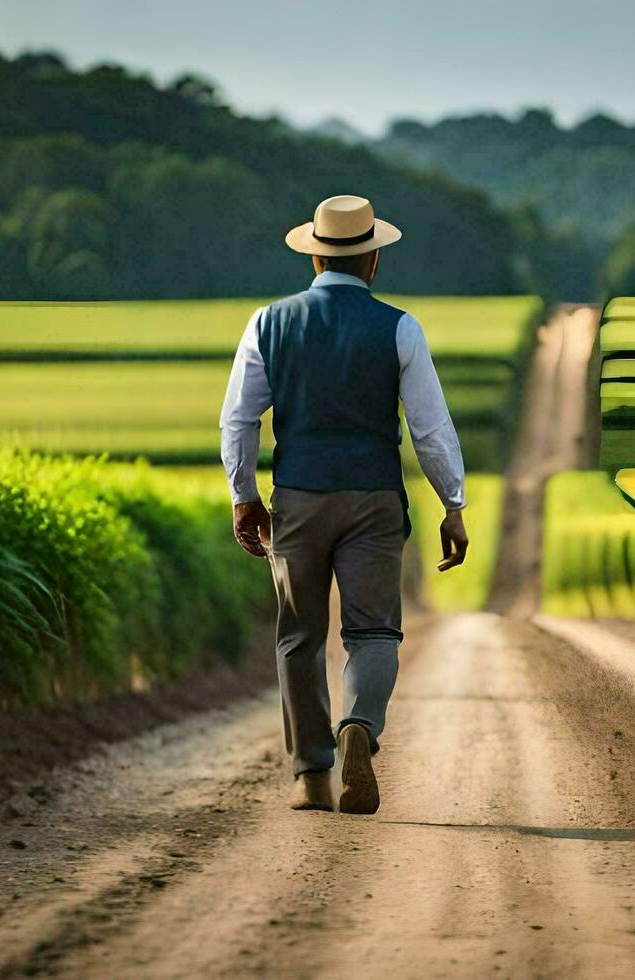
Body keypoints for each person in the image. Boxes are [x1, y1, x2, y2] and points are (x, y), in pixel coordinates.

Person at [219, 194, 468, 814]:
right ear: (373, 259)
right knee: (373, 633)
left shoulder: (267, 324)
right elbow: (430, 429)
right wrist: (453, 504)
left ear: (314, 259)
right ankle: (359, 725)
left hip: (298, 500)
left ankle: (311, 777)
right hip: (374, 500)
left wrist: (245, 497)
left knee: (299, 637)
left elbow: (238, 420)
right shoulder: (399, 327)